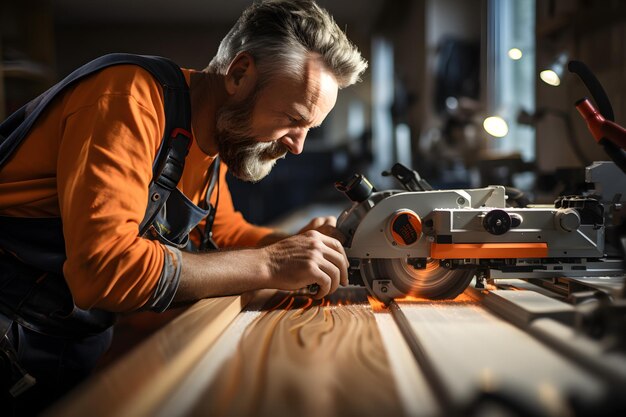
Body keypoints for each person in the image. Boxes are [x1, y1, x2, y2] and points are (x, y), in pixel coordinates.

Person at [0, 0, 367, 414]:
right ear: (240, 73)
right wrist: (272, 264)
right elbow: (103, 272)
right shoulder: (129, 99)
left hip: (63, 344)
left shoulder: (212, 140)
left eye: (308, 130)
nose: (296, 145)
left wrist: (300, 247)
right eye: (292, 119)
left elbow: (224, 237)